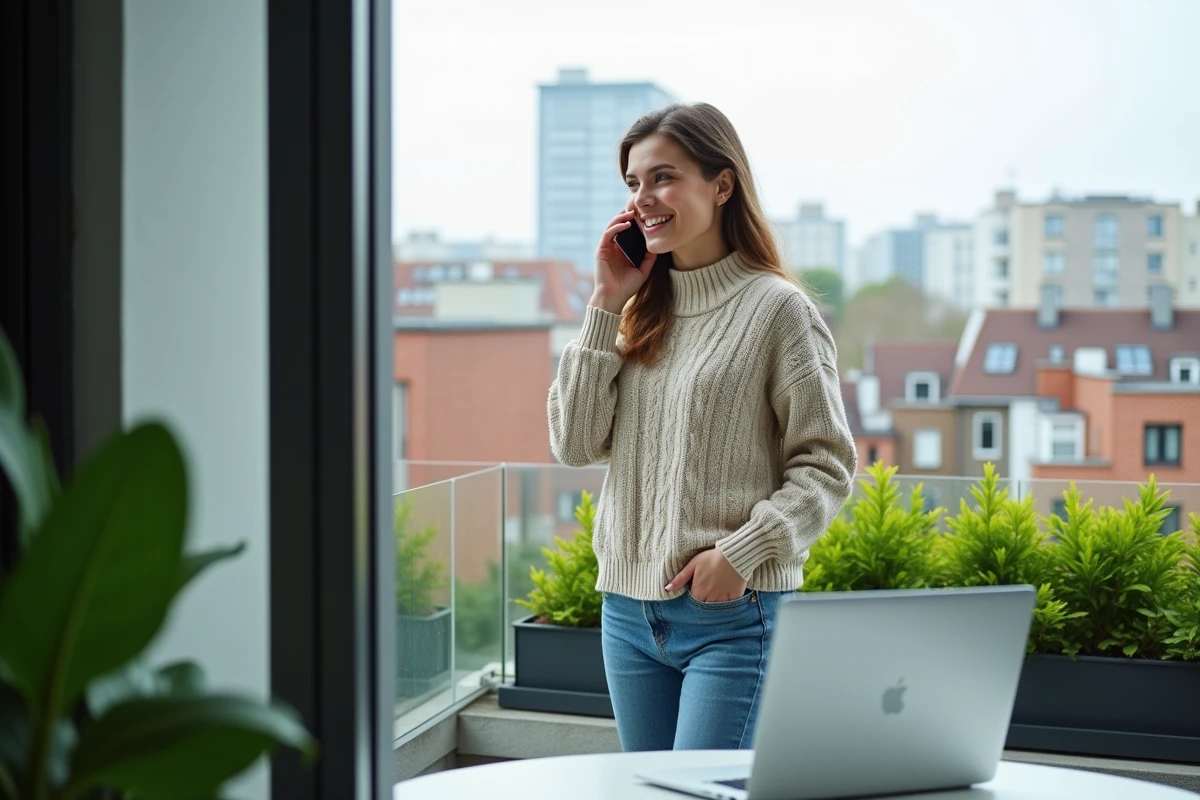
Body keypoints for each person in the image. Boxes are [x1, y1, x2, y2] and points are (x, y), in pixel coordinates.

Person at [547, 102, 858, 752]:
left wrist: (740, 554)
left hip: (731, 618)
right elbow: (575, 445)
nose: (643, 198)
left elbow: (826, 466)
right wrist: (606, 302)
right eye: (633, 183)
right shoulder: (635, 311)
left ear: (722, 185)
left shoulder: (778, 310)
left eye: (663, 177)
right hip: (626, 617)